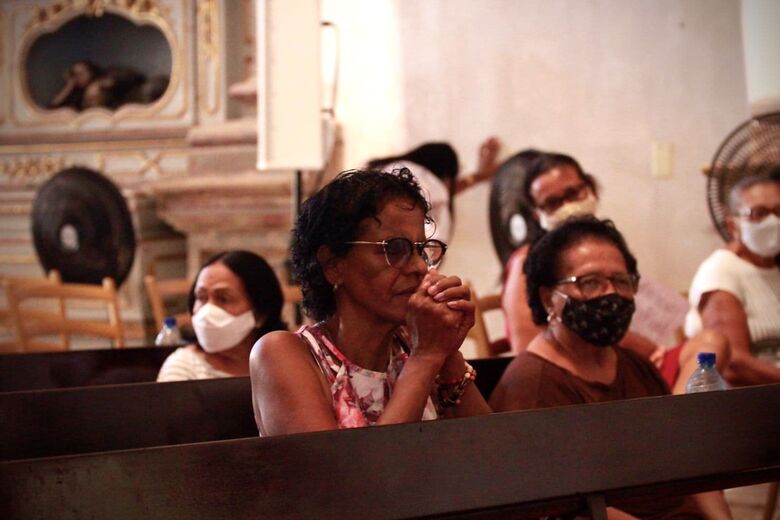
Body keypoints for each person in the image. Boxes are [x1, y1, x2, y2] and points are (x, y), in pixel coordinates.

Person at [490, 216, 730, 520]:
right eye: (589, 282)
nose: (610, 294)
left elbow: (687, 462)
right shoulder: (533, 385)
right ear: (548, 297)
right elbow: (563, 508)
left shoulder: (635, 365)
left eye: (621, 281)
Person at [250, 168, 491, 436]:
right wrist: (426, 358)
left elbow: (494, 455)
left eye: (421, 250)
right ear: (333, 264)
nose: (419, 268)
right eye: (396, 249)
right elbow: (354, 475)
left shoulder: (415, 344)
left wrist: (448, 355)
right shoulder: (283, 354)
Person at [501, 151, 728, 393]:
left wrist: (649, 354)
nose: (567, 207)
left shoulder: (606, 243)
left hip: (623, 364)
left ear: (590, 187)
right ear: (537, 214)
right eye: (553, 203)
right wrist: (638, 348)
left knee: (710, 345)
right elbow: (526, 345)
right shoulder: (526, 262)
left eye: (572, 193)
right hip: (582, 371)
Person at [685, 174, 780, 384]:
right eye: (759, 213)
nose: (773, 221)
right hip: (756, 402)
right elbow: (733, 365)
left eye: (779, 211)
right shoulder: (721, 272)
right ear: (732, 226)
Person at [157, 250, 287, 381]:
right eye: (201, 297)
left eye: (224, 299)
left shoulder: (283, 364)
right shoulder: (181, 368)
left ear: (261, 313)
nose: (207, 311)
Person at [366, 138, 501, 243]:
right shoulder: (413, 173)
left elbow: (435, 194)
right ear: (444, 174)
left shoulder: (403, 175)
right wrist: (478, 176)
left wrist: (478, 176)